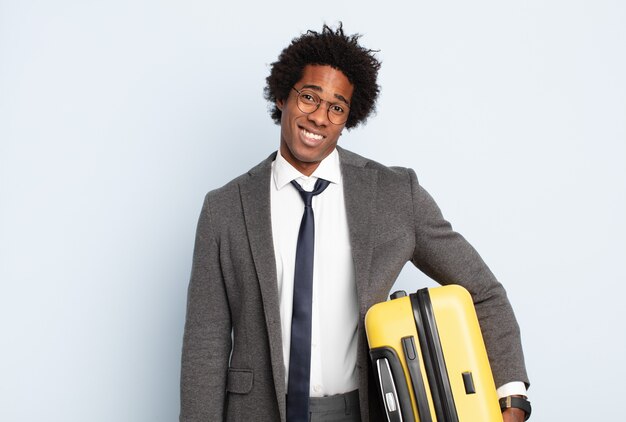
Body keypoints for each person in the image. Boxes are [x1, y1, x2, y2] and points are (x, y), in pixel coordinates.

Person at [180, 23, 530, 422]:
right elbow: (204, 345)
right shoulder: (224, 208)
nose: (319, 118)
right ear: (282, 97)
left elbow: (483, 291)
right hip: (257, 412)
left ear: (349, 116)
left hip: (363, 411)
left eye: (336, 107)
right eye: (309, 97)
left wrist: (512, 398)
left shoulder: (396, 194)